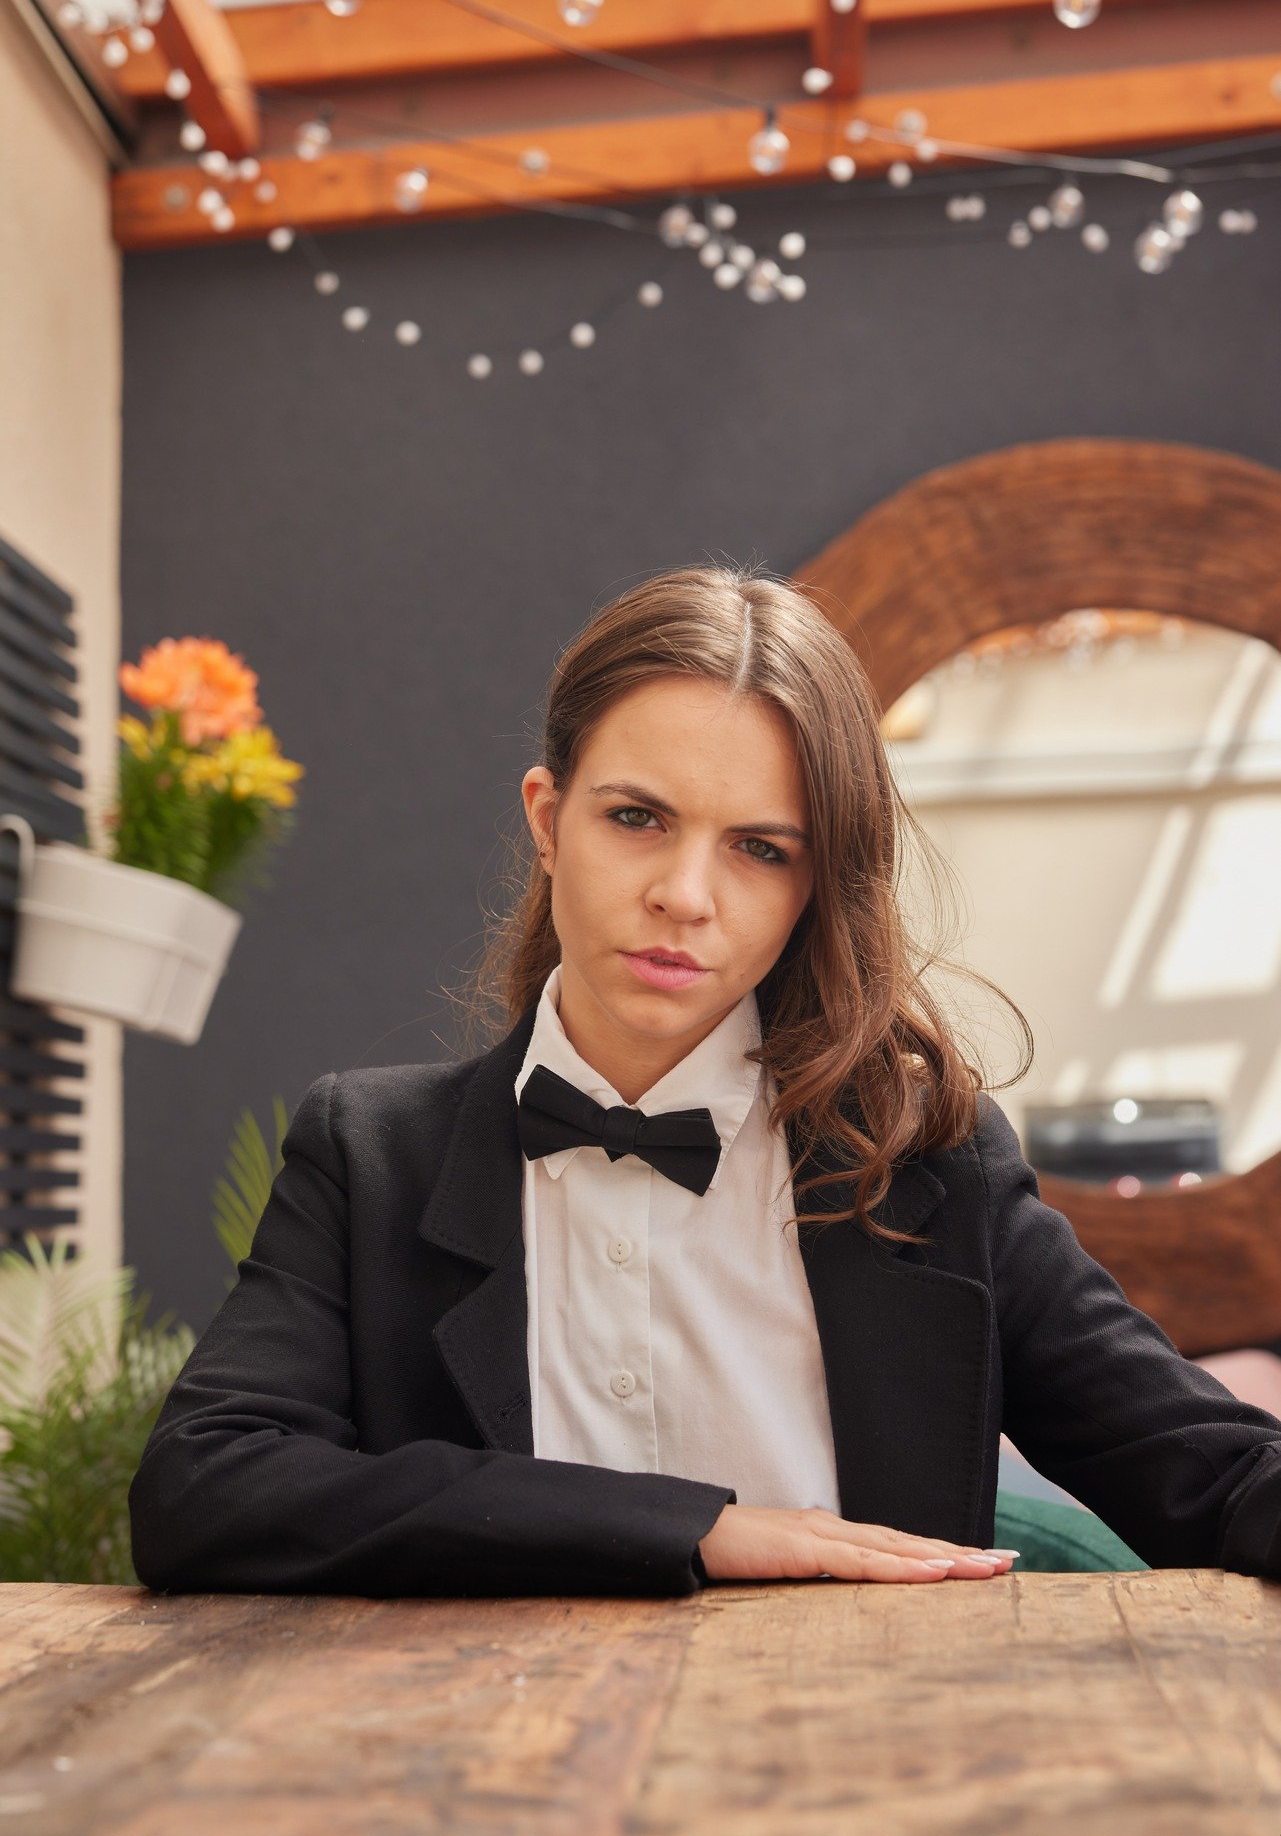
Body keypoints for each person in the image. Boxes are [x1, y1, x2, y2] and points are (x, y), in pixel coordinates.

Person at [128, 563, 1281, 1596]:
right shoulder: (370, 1154)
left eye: (760, 849)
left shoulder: (930, 1162)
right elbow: (201, 1487)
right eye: (638, 818)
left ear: (813, 886)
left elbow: (1212, 1473)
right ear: (548, 821)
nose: (685, 895)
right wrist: (692, 1529)